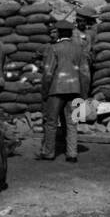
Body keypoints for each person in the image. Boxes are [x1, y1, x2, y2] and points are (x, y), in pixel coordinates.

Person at [39, 20, 87, 163]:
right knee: (72, 123)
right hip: (74, 90)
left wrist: (45, 92)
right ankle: (72, 154)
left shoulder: (54, 49)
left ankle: (49, 153)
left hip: (56, 90)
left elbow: (48, 73)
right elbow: (85, 74)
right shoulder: (79, 49)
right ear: (72, 33)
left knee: (51, 122)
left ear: (59, 32)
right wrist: (83, 93)